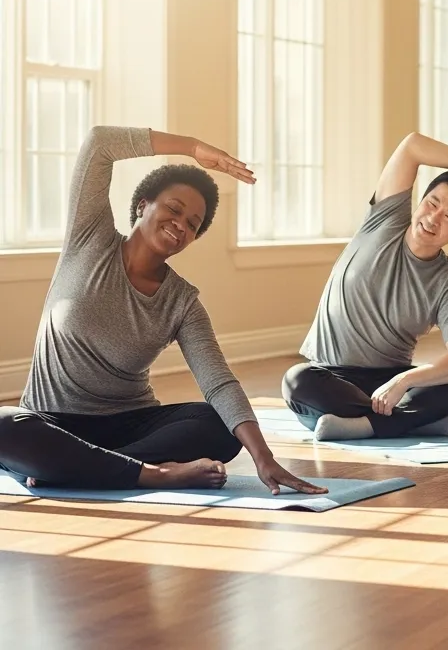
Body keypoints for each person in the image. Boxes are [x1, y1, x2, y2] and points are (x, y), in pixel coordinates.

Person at [0, 127, 321, 494]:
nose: (180, 225)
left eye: (192, 225)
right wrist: (194, 147)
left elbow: (217, 381)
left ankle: (76, 467)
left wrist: (264, 457)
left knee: (219, 425)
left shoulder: (182, 302)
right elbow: (99, 144)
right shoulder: (89, 238)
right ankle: (153, 474)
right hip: (50, 420)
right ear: (143, 205)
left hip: (130, 426)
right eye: (173, 209)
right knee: (5, 426)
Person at [281, 131, 448, 441]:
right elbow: (412, 146)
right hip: (331, 374)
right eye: (432, 204)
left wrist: (403, 382)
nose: (433, 219)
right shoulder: (386, 220)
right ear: (421, 201)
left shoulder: (446, 281)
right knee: (297, 380)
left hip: (390, 383)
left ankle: (366, 425)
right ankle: (412, 422)